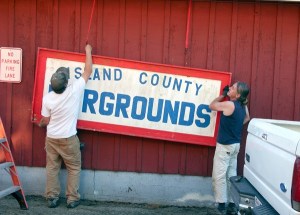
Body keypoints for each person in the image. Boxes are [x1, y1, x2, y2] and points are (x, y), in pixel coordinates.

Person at [38, 44, 93, 209]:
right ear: (66, 83)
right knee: (74, 168)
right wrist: (88, 51)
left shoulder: (48, 98)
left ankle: (52, 198)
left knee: (52, 169)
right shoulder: (74, 90)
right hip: (69, 139)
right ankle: (72, 199)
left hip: (52, 139)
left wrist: (40, 123)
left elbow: (45, 121)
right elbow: (88, 71)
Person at [209, 82, 250, 215]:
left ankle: (221, 206)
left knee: (219, 176)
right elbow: (247, 118)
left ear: (237, 95)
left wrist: (222, 95)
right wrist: (235, 126)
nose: (230, 88)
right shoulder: (242, 106)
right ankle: (232, 204)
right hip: (235, 146)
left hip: (225, 145)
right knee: (231, 175)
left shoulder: (229, 104)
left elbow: (212, 106)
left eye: (233, 88)